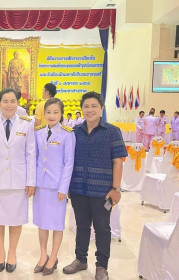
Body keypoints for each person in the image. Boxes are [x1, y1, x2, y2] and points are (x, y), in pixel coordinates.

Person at [63, 92, 127, 280]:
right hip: (78, 189)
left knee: (102, 228)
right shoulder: (74, 132)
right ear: (81, 109)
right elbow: (68, 160)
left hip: (102, 191)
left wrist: (116, 189)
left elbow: (118, 161)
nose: (89, 110)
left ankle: (101, 266)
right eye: (86, 106)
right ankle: (80, 259)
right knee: (81, 226)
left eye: (94, 106)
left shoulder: (112, 131)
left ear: (101, 109)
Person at [0, 88, 36, 273]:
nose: (9, 105)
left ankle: (12, 253)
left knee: (16, 219)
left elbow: (31, 154)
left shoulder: (27, 124)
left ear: (18, 103)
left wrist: (31, 181)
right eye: (5, 101)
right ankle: (0, 253)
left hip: (19, 180)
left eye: (12, 101)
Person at [33, 98, 75, 276]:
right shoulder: (38, 132)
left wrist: (63, 188)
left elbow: (69, 163)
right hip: (40, 185)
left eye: (55, 112)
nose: (51, 116)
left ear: (61, 114)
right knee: (42, 223)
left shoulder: (67, 134)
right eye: (48, 112)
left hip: (57, 187)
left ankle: (54, 257)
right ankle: (43, 255)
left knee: (57, 224)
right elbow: (34, 159)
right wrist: (32, 183)